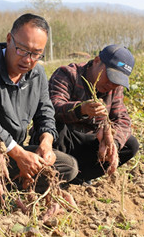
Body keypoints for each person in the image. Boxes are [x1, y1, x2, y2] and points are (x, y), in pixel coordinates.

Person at [0, 13, 78, 191]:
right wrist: (18, 153)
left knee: (68, 167)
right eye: (22, 50)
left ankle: (13, 185)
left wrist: (46, 142)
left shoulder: (37, 74)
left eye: (36, 54)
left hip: (16, 153)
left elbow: (45, 112)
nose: (27, 59)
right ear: (9, 39)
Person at [47, 44, 139, 183]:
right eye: (110, 76)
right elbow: (53, 107)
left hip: (87, 141)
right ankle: (55, 176)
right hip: (63, 142)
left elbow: (123, 119)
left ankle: (78, 179)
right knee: (56, 125)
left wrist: (113, 142)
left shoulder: (114, 88)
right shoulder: (68, 74)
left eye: (117, 81)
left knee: (130, 145)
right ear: (96, 61)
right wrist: (81, 109)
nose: (112, 84)